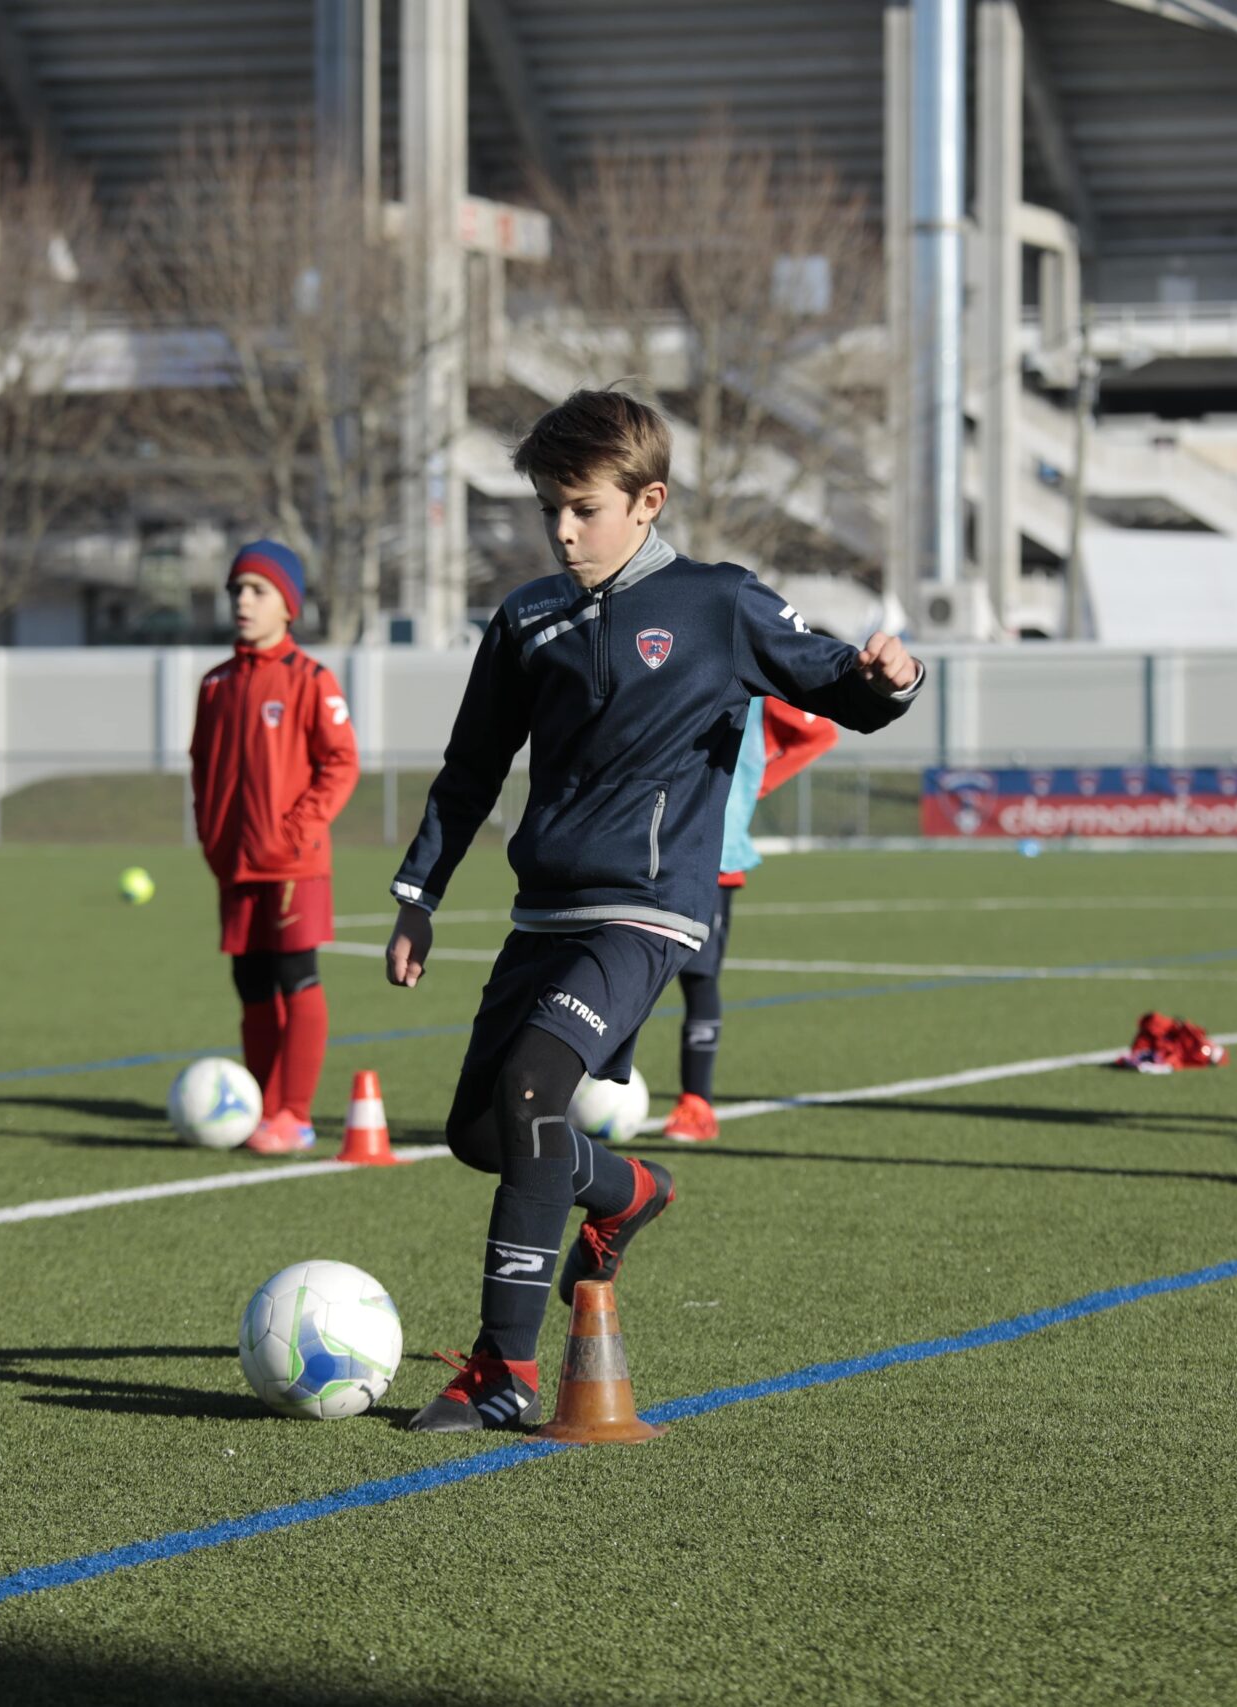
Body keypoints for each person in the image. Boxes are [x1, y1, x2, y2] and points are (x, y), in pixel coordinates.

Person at [382, 388, 924, 1433]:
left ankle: (504, 1369)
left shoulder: (718, 603)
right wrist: (418, 899)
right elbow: (469, 770)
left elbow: (839, 687)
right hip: (542, 912)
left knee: (538, 1091)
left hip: (648, 911)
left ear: (648, 502)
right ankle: (625, 1191)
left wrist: (888, 681)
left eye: (582, 508)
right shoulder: (528, 618)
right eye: (550, 510)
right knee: (479, 1132)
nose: (562, 529)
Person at [188, 541, 359, 1155]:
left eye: (257, 591)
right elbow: (201, 769)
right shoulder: (215, 685)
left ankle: (296, 1112)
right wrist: (211, 836)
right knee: (251, 984)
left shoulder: (311, 679)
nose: (243, 601)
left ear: (287, 605)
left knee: (297, 980)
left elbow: (341, 764)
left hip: (293, 865)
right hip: (235, 866)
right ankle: (256, 1108)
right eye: (236, 590)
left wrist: (296, 830)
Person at [659, 697, 838, 1143]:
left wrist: (759, 779)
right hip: (641, 850)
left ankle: (696, 1104)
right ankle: (591, 1085)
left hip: (712, 856)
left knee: (698, 978)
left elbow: (821, 731)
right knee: (618, 972)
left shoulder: (756, 681)